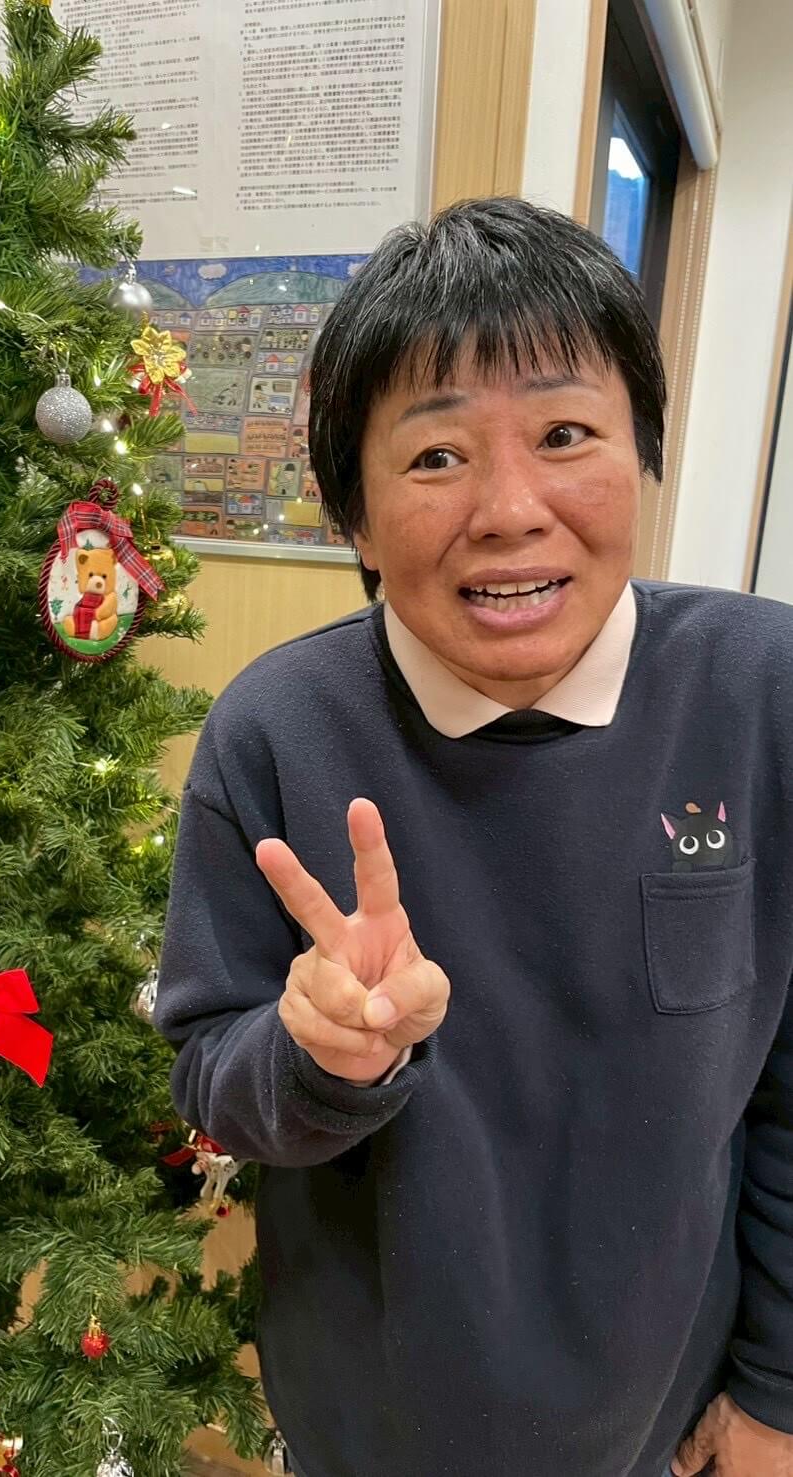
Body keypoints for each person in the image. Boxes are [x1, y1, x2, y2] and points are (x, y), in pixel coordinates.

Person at [154, 196, 793, 1477]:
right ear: (353, 511)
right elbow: (211, 1076)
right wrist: (319, 1054)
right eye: (436, 455)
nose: (508, 508)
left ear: (641, 450)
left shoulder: (758, 693)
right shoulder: (276, 730)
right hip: (367, 1425)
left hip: (669, 1424)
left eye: (563, 435)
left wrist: (776, 1391)